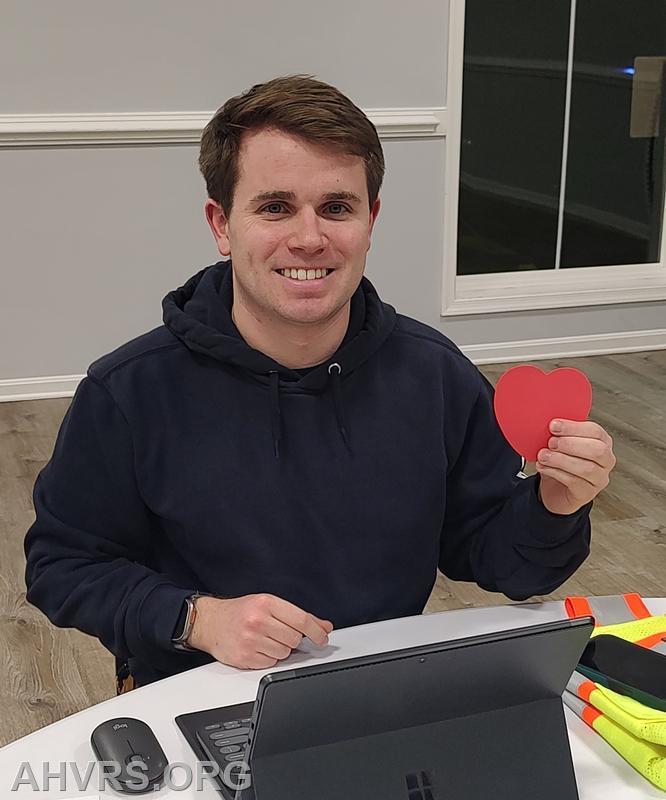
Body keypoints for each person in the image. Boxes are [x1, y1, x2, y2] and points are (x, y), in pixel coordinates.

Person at [24, 74, 616, 689]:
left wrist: (554, 506)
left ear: (370, 220)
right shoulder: (128, 392)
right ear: (222, 225)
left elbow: (502, 564)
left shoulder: (435, 375)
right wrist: (195, 618)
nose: (309, 239)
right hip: (195, 690)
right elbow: (61, 565)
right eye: (275, 208)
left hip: (384, 685)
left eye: (336, 208)